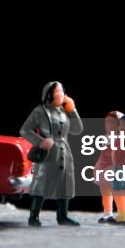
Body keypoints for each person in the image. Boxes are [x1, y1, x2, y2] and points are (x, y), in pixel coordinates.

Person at [20, 81, 84, 226]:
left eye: (62, 91)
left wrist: (73, 110)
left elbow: (77, 129)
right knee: (42, 182)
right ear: (49, 94)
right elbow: (25, 129)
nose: (61, 94)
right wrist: (40, 141)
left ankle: (63, 216)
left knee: (65, 183)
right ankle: (34, 216)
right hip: (48, 153)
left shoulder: (63, 111)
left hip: (64, 151)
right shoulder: (40, 111)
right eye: (57, 91)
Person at [96, 111, 125, 223]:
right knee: (105, 191)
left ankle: (123, 213)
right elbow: (102, 153)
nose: (108, 124)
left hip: (116, 168)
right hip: (104, 168)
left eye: (112, 122)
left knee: (117, 191)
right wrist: (97, 166)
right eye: (107, 122)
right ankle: (108, 213)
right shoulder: (105, 137)